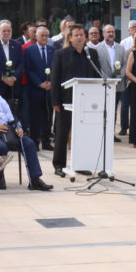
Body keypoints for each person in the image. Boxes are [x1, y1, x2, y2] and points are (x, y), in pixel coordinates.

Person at [51, 24, 102, 174]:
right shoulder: (62, 54)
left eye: (82, 35)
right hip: (66, 100)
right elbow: (55, 79)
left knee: (82, 133)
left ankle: (81, 164)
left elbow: (96, 75)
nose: (79, 38)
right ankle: (59, 165)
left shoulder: (91, 53)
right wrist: (55, 101)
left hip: (86, 101)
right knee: (62, 133)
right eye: (76, 35)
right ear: (70, 38)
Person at [92, 24, 126, 143]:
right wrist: (106, 78)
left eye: (112, 32)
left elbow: (124, 64)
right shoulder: (97, 48)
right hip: (103, 84)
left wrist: (119, 76)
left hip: (117, 84)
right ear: (103, 34)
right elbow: (96, 66)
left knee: (113, 110)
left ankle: (111, 134)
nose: (111, 34)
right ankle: (101, 133)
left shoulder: (121, 48)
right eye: (108, 32)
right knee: (103, 110)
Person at [23, 26, 55, 151]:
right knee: (35, 117)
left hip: (49, 89)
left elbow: (55, 68)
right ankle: (35, 141)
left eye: (47, 35)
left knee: (48, 116)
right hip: (35, 89)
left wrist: (51, 82)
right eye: (42, 35)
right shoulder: (29, 50)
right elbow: (29, 70)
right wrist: (39, 83)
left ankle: (46, 141)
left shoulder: (53, 50)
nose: (45, 38)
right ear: (36, 36)